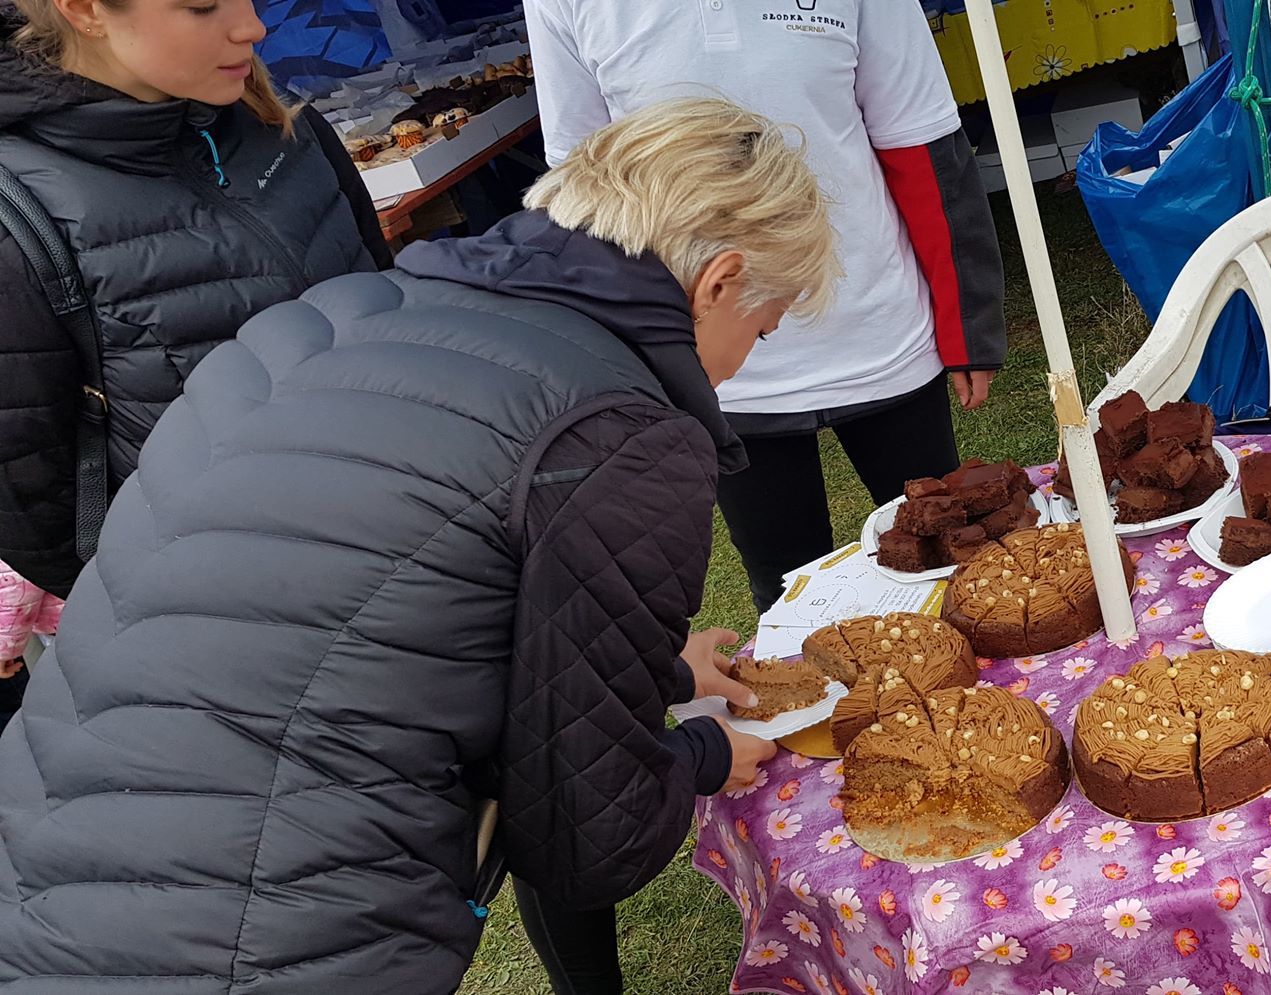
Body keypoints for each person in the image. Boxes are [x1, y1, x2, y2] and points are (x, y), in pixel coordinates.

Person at [0, 98, 813, 993]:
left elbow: (371, 621)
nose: (743, 362)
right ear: (720, 281)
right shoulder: (622, 435)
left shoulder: (319, 322)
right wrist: (702, 756)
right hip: (270, 930)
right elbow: (589, 832)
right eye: (763, 330)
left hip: (44, 872)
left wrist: (653, 673)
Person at [528, 0, 1007, 612]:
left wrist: (967, 324)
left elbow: (922, 145)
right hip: (722, 368)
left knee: (950, 555)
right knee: (788, 594)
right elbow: (585, 192)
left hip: (879, 325)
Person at [0, 0, 392, 602]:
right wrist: (186, 605)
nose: (253, 26)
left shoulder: (281, 121)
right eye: (203, 5)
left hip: (420, 525)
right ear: (84, 10)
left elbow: (388, 293)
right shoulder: (18, 214)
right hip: (253, 604)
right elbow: (26, 497)